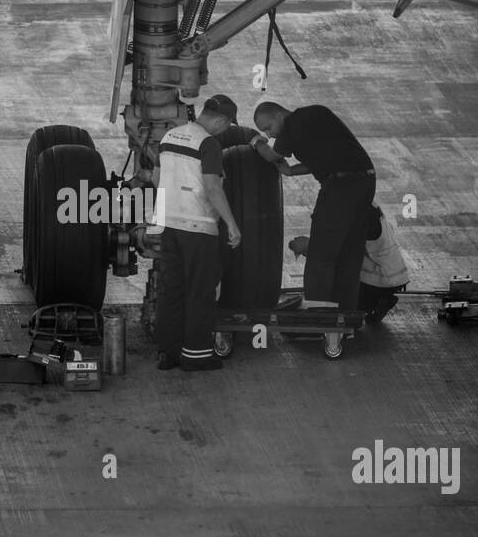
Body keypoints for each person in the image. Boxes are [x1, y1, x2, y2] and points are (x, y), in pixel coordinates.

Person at [251, 101, 375, 358]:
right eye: (264, 133)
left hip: (340, 189)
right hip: (364, 181)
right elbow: (324, 158)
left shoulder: (294, 123)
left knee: (321, 256)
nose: (271, 134)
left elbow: (274, 157)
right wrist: (294, 172)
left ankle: (319, 322)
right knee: (348, 256)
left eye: (268, 127)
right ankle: (345, 322)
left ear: (278, 114)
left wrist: (255, 142)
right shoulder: (316, 116)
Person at [150, 95, 241, 371]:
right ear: (222, 120)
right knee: (201, 290)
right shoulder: (208, 143)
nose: (225, 130)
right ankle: (196, 355)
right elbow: (213, 187)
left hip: (168, 223)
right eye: (227, 125)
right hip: (198, 226)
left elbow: (155, 178)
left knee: (171, 289)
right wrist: (232, 224)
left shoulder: (169, 137)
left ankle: (168, 353)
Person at [288, 201, 408, 323]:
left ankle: (380, 301)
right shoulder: (365, 204)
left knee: (346, 315)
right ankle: (379, 300)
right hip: (391, 275)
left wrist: (310, 246)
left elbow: (341, 252)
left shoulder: (361, 217)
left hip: (380, 280)